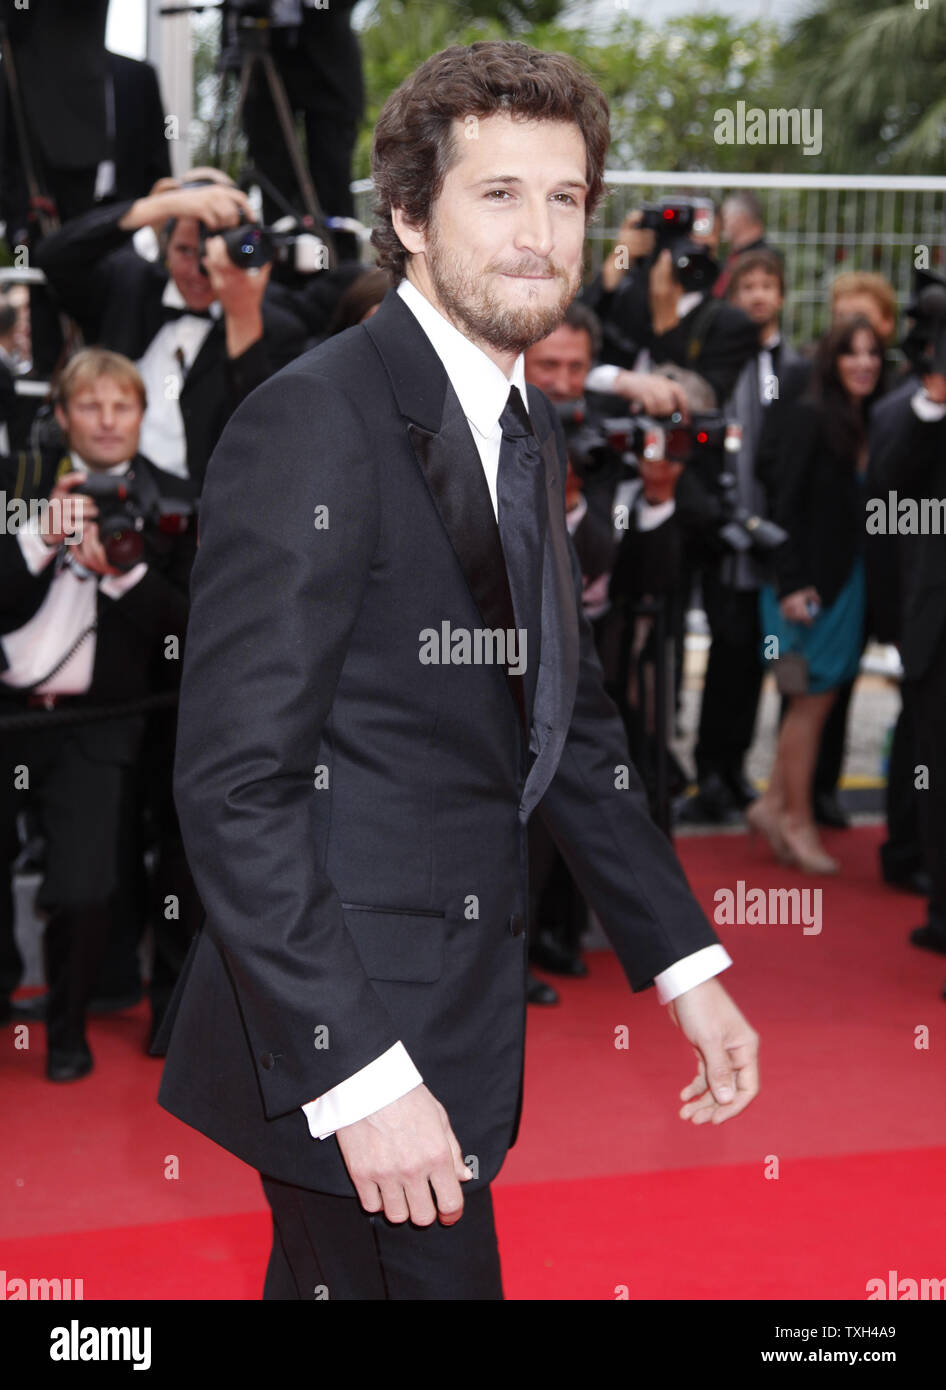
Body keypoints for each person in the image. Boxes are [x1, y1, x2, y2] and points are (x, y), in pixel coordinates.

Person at [155, 40, 759, 1301]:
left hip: (442, 1014)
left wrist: (685, 965)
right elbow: (235, 783)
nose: (541, 233)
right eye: (499, 194)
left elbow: (564, 721)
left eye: (566, 197)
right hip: (348, 1032)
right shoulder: (316, 417)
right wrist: (358, 1075)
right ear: (408, 218)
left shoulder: (514, 417)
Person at [0, 349, 194, 1078]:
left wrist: (125, 575)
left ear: (144, 416)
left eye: (123, 407)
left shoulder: (176, 500)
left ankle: (68, 1028)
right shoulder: (14, 486)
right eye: (90, 406)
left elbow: (189, 631)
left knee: (83, 886)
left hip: (97, 725)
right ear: (58, 416)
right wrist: (37, 538)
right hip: (9, 714)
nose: (108, 421)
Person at [33, 182, 306, 492]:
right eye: (184, 250)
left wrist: (241, 313)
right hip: (112, 497)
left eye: (209, 252)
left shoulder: (274, 324)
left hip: (210, 512)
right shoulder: (129, 285)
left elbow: (270, 436)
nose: (198, 270)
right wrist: (159, 207)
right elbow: (53, 257)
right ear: (164, 247)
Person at [749, 316, 884, 873]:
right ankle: (796, 821)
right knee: (806, 704)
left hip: (838, 589)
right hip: (800, 594)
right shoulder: (809, 416)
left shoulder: (861, 418)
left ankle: (773, 805)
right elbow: (783, 503)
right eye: (852, 353)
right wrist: (791, 583)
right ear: (832, 361)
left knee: (808, 708)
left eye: (873, 353)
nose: (864, 363)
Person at [683, 248, 803, 825]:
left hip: (773, 539)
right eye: (747, 285)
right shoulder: (721, 361)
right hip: (723, 533)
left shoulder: (794, 366)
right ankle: (710, 768)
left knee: (762, 656)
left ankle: (736, 770)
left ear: (782, 295)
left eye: (767, 285)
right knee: (726, 651)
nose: (758, 295)